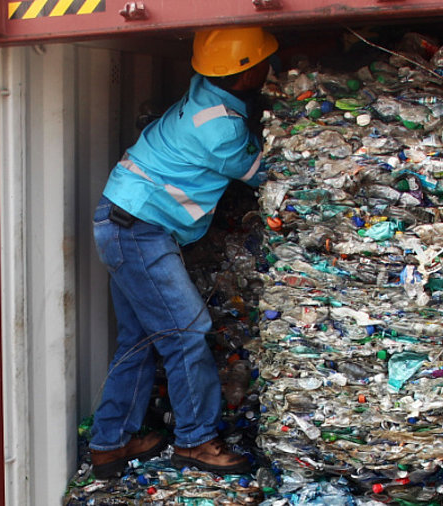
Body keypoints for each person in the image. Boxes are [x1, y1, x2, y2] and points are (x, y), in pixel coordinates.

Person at [88, 26, 278, 480]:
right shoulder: (221, 130)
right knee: (188, 331)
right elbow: (262, 173)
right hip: (140, 230)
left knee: (140, 340)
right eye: (263, 63)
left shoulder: (204, 94)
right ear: (244, 73)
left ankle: (109, 444)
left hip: (122, 222)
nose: (269, 68)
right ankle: (195, 442)